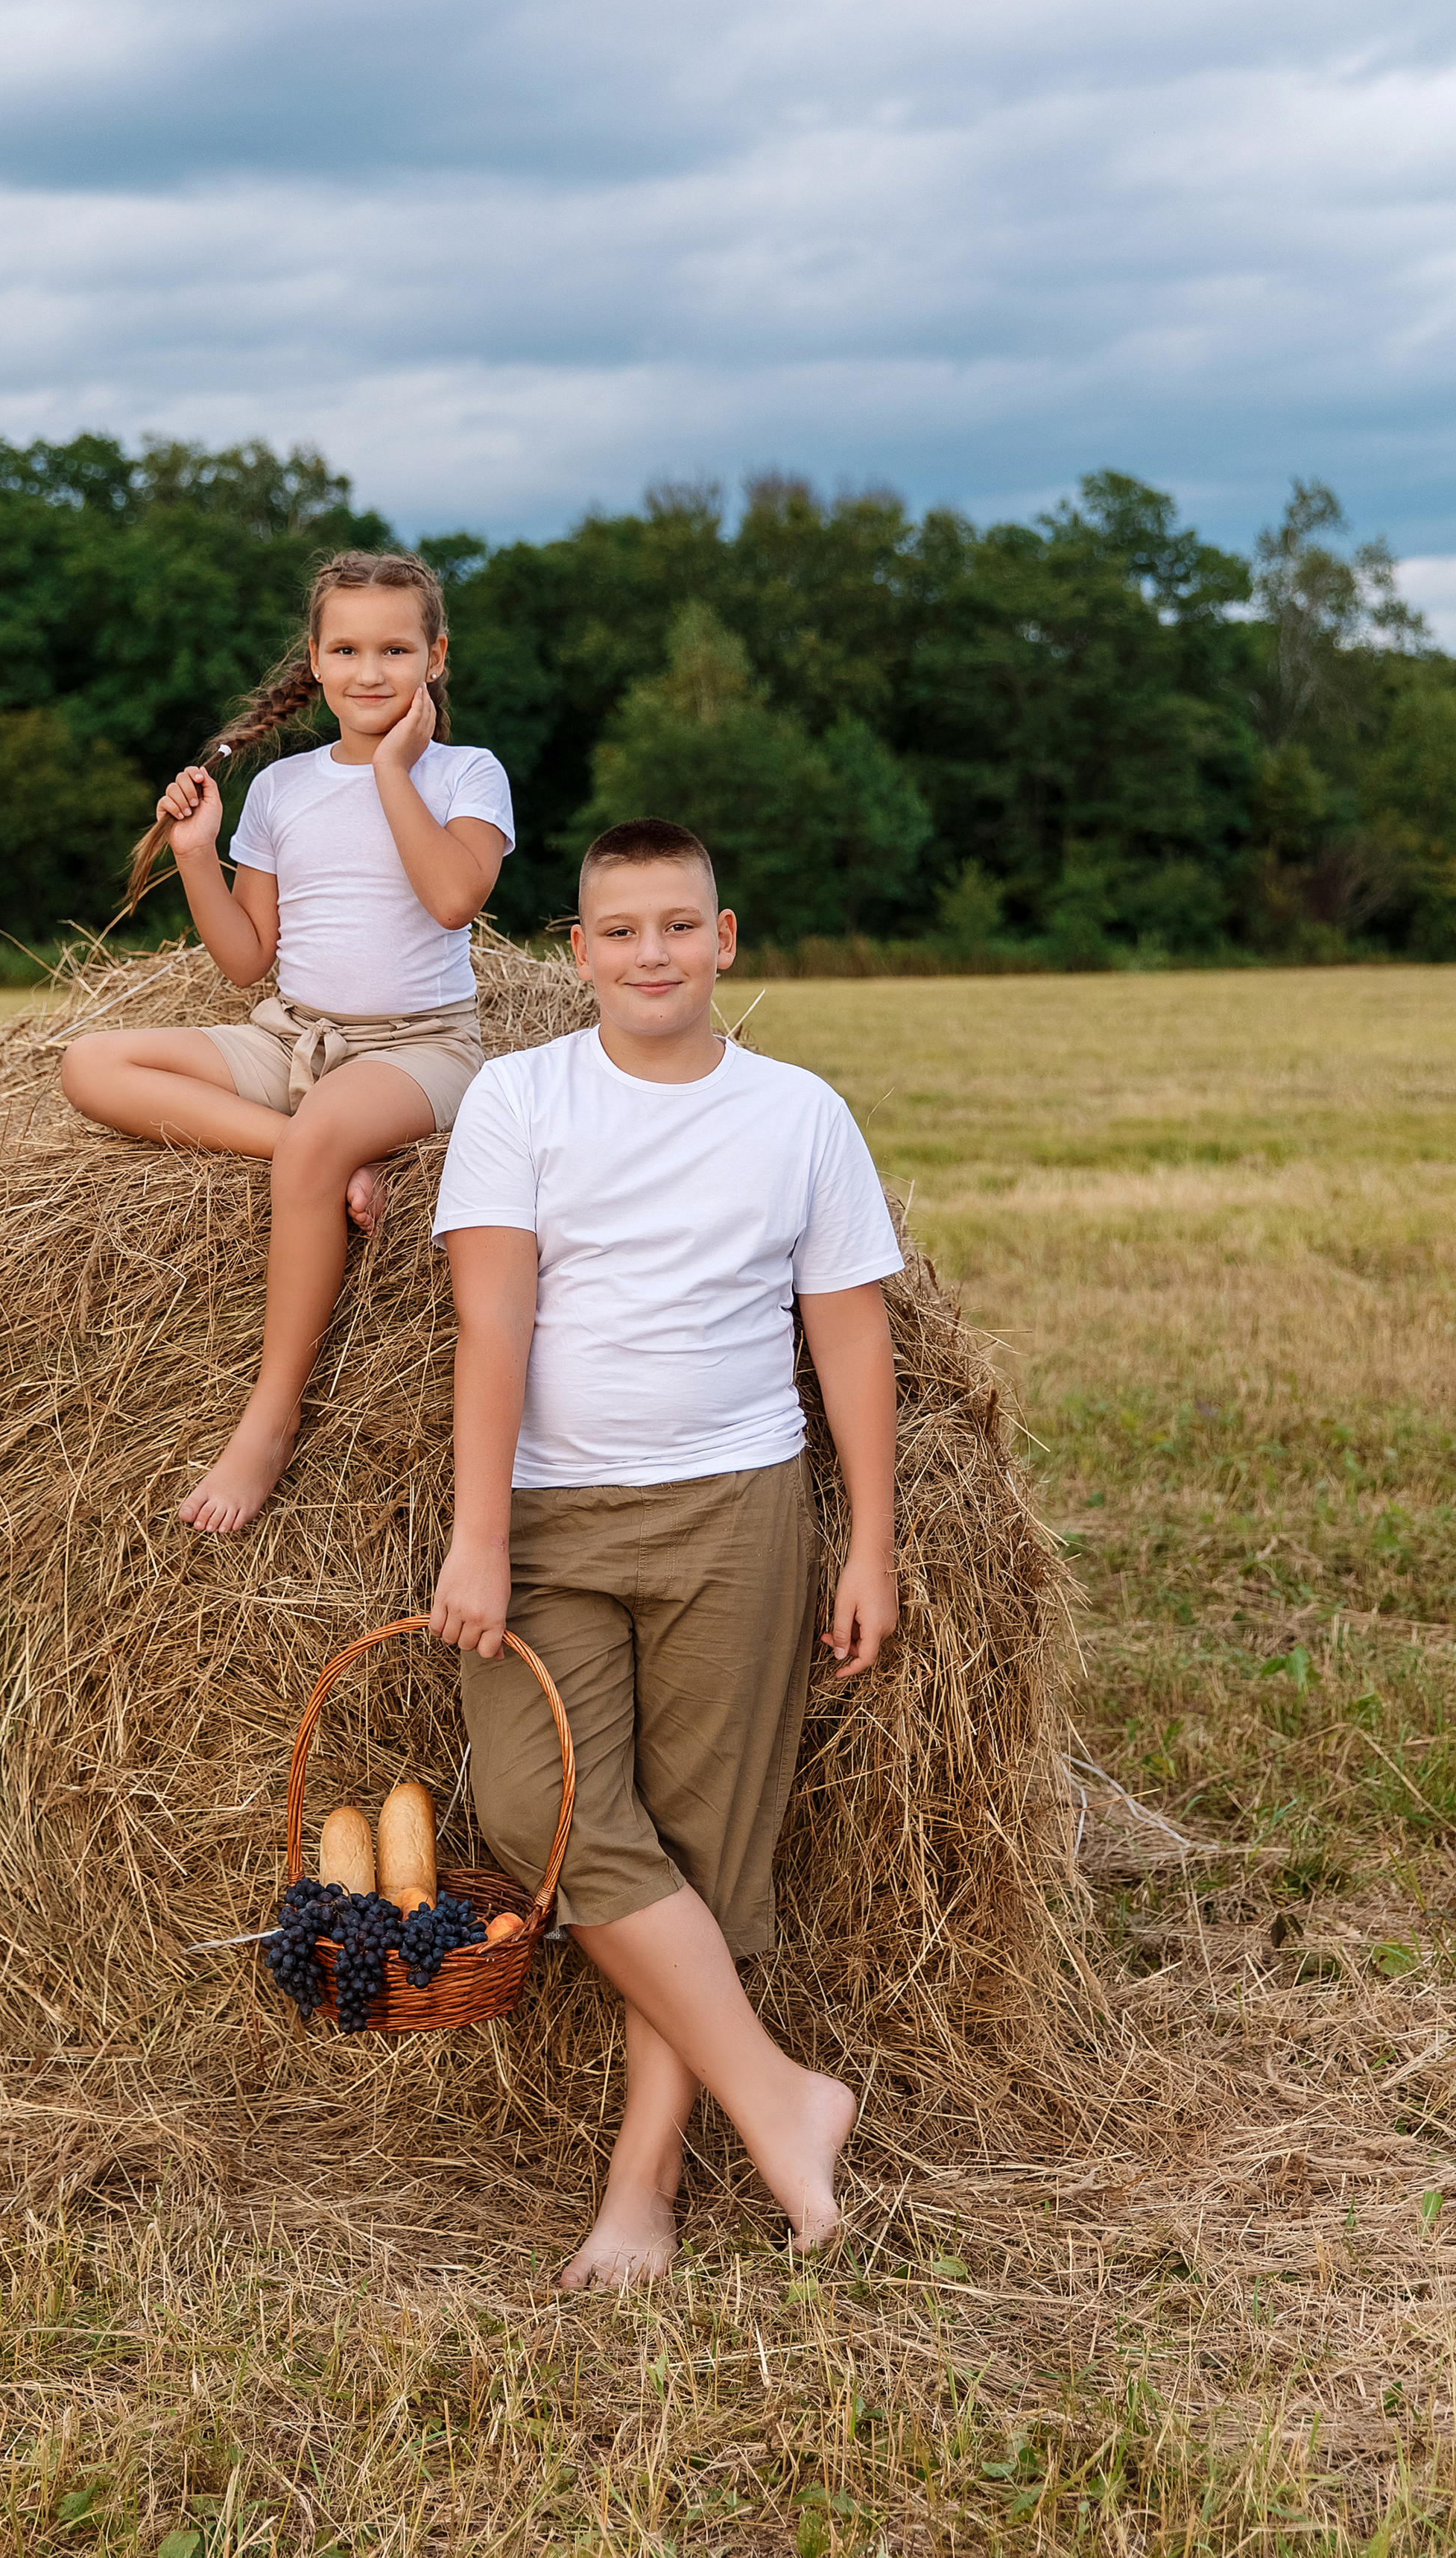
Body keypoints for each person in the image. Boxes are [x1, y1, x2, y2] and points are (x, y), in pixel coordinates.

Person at [428, 816, 903, 2286]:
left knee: (697, 1850)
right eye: (620, 930)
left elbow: (848, 1333)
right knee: (539, 1808)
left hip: (736, 1513)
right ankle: (780, 2098)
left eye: (677, 927)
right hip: (556, 1519)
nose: (651, 954)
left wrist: (868, 1540)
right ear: (575, 952)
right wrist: (481, 1534)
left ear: (725, 939)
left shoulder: (798, 1113)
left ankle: (638, 2191)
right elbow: (490, 1323)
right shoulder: (518, 1099)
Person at [62, 551, 513, 1534]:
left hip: (420, 1047)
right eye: (346, 649)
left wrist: (394, 768)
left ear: (436, 657)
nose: (369, 671)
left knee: (319, 1137)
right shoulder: (280, 791)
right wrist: (195, 857)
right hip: (293, 1037)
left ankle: (269, 1418)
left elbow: (452, 897)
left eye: (395, 649)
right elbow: (244, 961)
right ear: (314, 661)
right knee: (89, 1063)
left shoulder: (466, 774)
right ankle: (326, 1161)